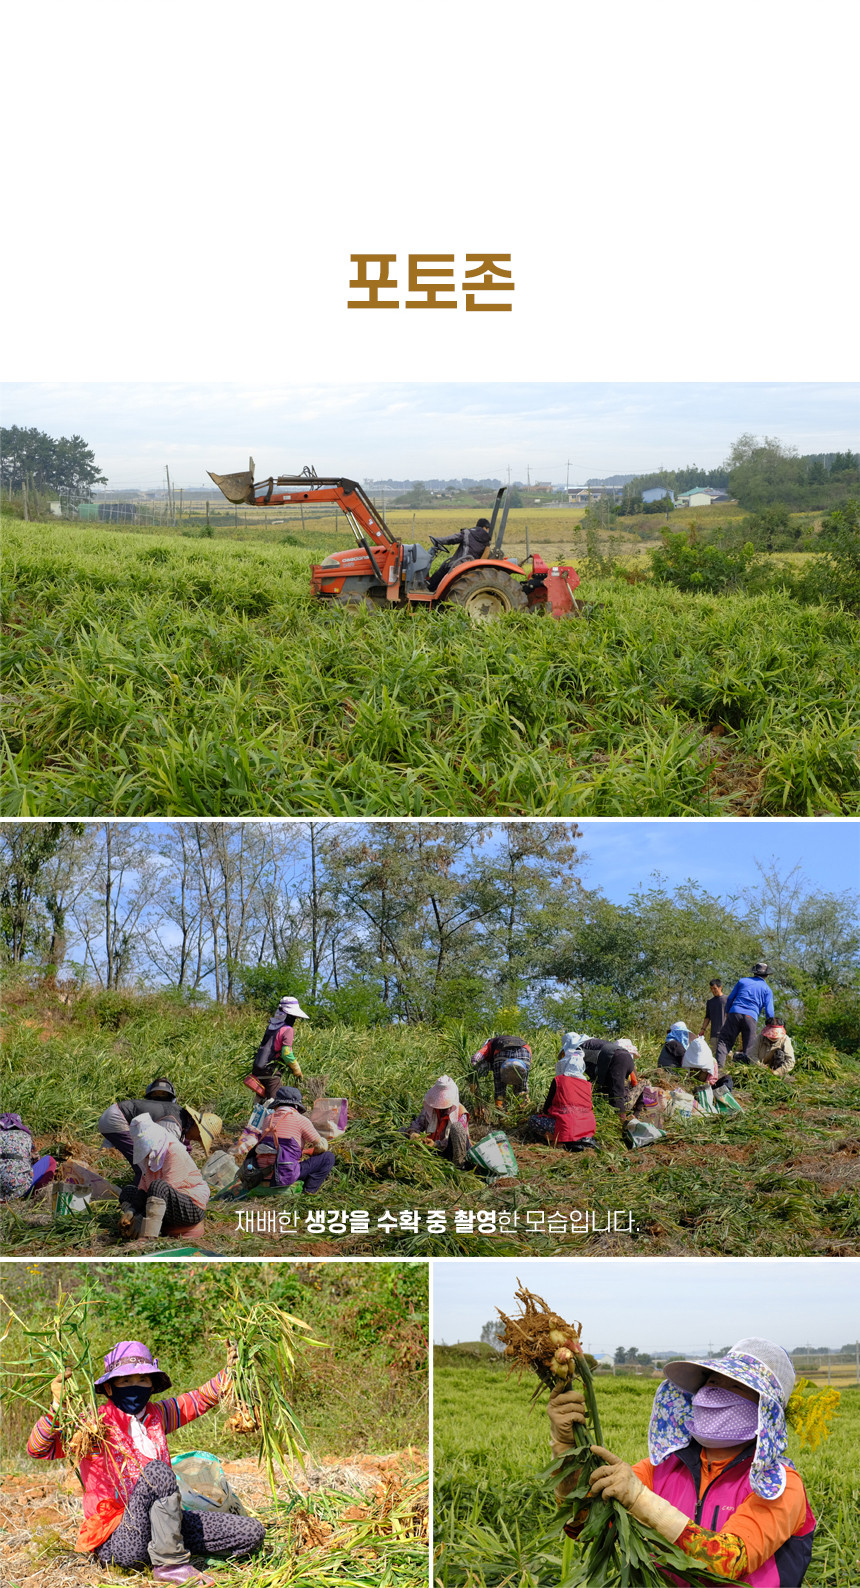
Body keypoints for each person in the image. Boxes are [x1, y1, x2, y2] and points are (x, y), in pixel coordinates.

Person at [548, 1336, 816, 1585]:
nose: (716, 1392)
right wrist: (566, 1448)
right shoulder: (661, 1468)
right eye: (712, 1382)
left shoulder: (777, 1486)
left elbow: (729, 1559)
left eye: (736, 1386)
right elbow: (585, 1524)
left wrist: (640, 1500)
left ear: (765, 1412)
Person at [27, 1339, 264, 1583]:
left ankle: (168, 1551)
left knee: (251, 1532)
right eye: (126, 1381)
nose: (135, 1386)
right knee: (159, 1473)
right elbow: (38, 1449)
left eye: (143, 1380)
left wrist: (231, 1372)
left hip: (168, 1526)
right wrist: (57, 1407)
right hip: (121, 1540)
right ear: (109, 1388)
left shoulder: (158, 1415)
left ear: (152, 1385)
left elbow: (199, 1399)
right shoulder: (93, 1427)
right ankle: (170, 1566)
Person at [118, 1118, 211, 1240]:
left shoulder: (173, 1152)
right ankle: (131, 1225)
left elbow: (163, 1191)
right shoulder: (150, 1158)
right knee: (128, 1191)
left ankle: (148, 1237)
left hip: (190, 1208)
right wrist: (131, 1211)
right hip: (164, 1206)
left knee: (158, 1186)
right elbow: (143, 1190)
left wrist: (142, 1216)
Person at [244, 1085, 336, 1194]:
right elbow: (321, 1146)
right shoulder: (300, 1120)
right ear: (296, 1106)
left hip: (261, 1174)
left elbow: (276, 1146)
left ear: (277, 1104)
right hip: (284, 1174)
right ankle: (309, 1191)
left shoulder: (268, 1119)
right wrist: (313, 1152)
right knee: (328, 1158)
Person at [98, 1080, 183, 1180]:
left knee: (145, 1163)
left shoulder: (147, 1109)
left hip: (111, 1118)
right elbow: (166, 1147)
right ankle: (139, 1191)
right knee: (144, 1167)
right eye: (156, 1096)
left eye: (163, 1095)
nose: (159, 1099)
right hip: (115, 1120)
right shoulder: (172, 1115)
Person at [529, 1036, 598, 1152]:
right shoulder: (587, 1084)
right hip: (588, 1127)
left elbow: (547, 1106)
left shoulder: (559, 1080)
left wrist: (546, 1112)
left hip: (567, 1127)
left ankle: (557, 1141)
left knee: (533, 1120)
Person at [716, 963, 775, 1066]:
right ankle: (744, 1072)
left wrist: (727, 1012)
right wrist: (771, 1025)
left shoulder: (742, 981)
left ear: (754, 973)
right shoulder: (767, 989)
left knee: (724, 1041)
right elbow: (769, 1012)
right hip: (751, 1017)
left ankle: (719, 1070)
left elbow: (730, 998)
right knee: (749, 1047)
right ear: (766, 975)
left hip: (735, 1013)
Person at [249, 996, 308, 1099]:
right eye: (293, 1016)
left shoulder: (271, 1026)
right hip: (270, 1071)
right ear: (288, 1015)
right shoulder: (287, 1030)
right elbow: (286, 1053)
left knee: (261, 1102)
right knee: (274, 1103)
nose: (295, 1019)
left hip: (258, 1069)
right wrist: (296, 1069)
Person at [405, 1076, 471, 1167]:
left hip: (452, 1152)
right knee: (402, 1131)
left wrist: (437, 1144)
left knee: (457, 1128)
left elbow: (457, 1138)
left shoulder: (460, 1113)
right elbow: (418, 1123)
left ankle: (459, 1166)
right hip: (433, 1150)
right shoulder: (431, 1108)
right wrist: (413, 1133)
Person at [579, 1035, 639, 1117]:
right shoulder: (621, 1057)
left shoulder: (582, 1049)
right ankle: (630, 1115)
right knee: (616, 1090)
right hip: (625, 1096)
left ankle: (623, 1122)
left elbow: (618, 1091)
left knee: (616, 1093)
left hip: (626, 1100)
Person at [426, 517, 492, 591]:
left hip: (460, 564)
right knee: (446, 565)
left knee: (445, 567)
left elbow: (452, 538)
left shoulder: (468, 533)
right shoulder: (487, 541)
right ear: (485, 527)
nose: (487, 531)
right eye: (488, 529)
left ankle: (429, 587)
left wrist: (438, 540)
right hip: (471, 565)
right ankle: (433, 588)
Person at [471, 1033, 533, 1110]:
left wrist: (473, 1069)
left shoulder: (490, 1043)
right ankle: (523, 1113)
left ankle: (503, 1116)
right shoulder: (518, 1040)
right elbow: (530, 1057)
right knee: (521, 1090)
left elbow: (476, 1057)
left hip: (502, 1053)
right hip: (524, 1053)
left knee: (499, 1090)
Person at [700, 979, 728, 1045]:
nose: (713, 991)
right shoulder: (710, 1002)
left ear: (720, 987)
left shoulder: (727, 999)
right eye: (711, 989)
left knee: (727, 1054)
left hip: (725, 1033)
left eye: (715, 988)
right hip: (713, 1035)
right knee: (713, 1054)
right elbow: (707, 1017)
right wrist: (703, 1029)